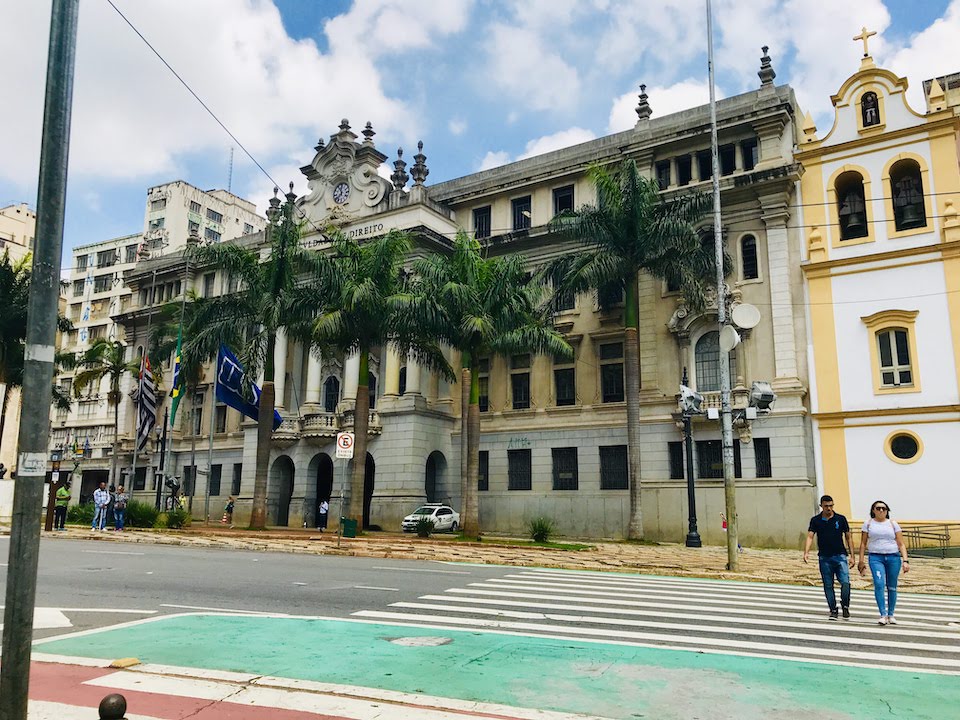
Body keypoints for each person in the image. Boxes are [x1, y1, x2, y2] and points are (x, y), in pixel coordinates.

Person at [858, 500, 909, 625]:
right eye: (878, 508)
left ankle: (891, 614)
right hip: (876, 557)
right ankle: (883, 614)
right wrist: (861, 561)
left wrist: (905, 560)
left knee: (892, 586)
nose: (881, 511)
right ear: (873, 510)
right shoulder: (868, 524)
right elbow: (863, 543)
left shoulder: (893, 524)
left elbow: (901, 543)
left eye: (884, 509)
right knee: (879, 583)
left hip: (893, 557)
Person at [803, 494, 853, 620]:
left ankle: (845, 605)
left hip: (840, 555)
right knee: (828, 584)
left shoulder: (840, 519)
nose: (829, 508)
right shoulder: (816, 520)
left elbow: (848, 536)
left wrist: (852, 555)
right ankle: (833, 608)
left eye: (831, 506)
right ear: (821, 506)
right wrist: (806, 552)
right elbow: (810, 536)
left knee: (845, 582)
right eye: (826, 506)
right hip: (824, 557)